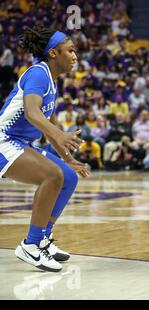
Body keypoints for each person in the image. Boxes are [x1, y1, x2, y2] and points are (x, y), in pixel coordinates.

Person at [0, 25, 90, 272]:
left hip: (19, 144)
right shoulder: (38, 73)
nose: (75, 56)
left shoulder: (51, 81)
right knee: (52, 175)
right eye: (70, 51)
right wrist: (60, 135)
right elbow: (31, 113)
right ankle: (30, 244)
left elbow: (49, 124)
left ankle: (41, 238)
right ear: (53, 53)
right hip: (3, 140)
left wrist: (68, 158)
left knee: (68, 176)